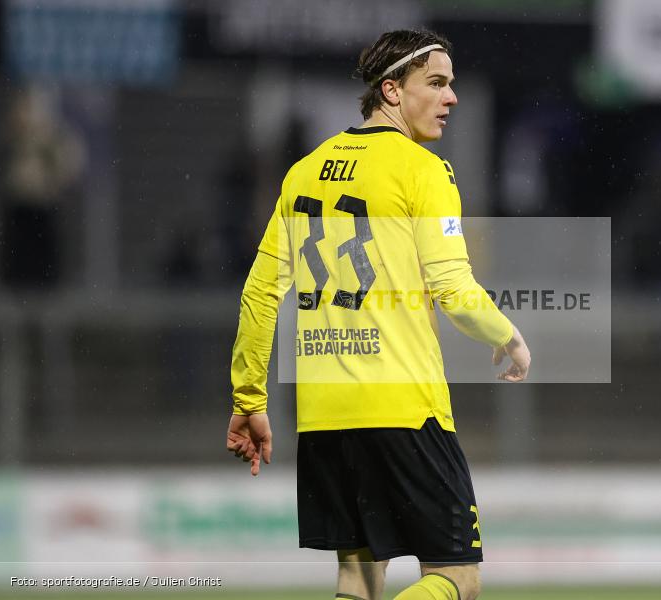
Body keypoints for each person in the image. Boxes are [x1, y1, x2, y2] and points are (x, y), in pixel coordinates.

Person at [225, 29, 531, 600]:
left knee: (359, 579)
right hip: (402, 407)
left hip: (322, 414)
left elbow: (261, 293)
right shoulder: (421, 170)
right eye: (435, 83)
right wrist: (508, 333)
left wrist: (249, 400)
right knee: (457, 578)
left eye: (452, 85)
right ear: (391, 91)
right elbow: (453, 287)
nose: (451, 98)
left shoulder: (303, 172)